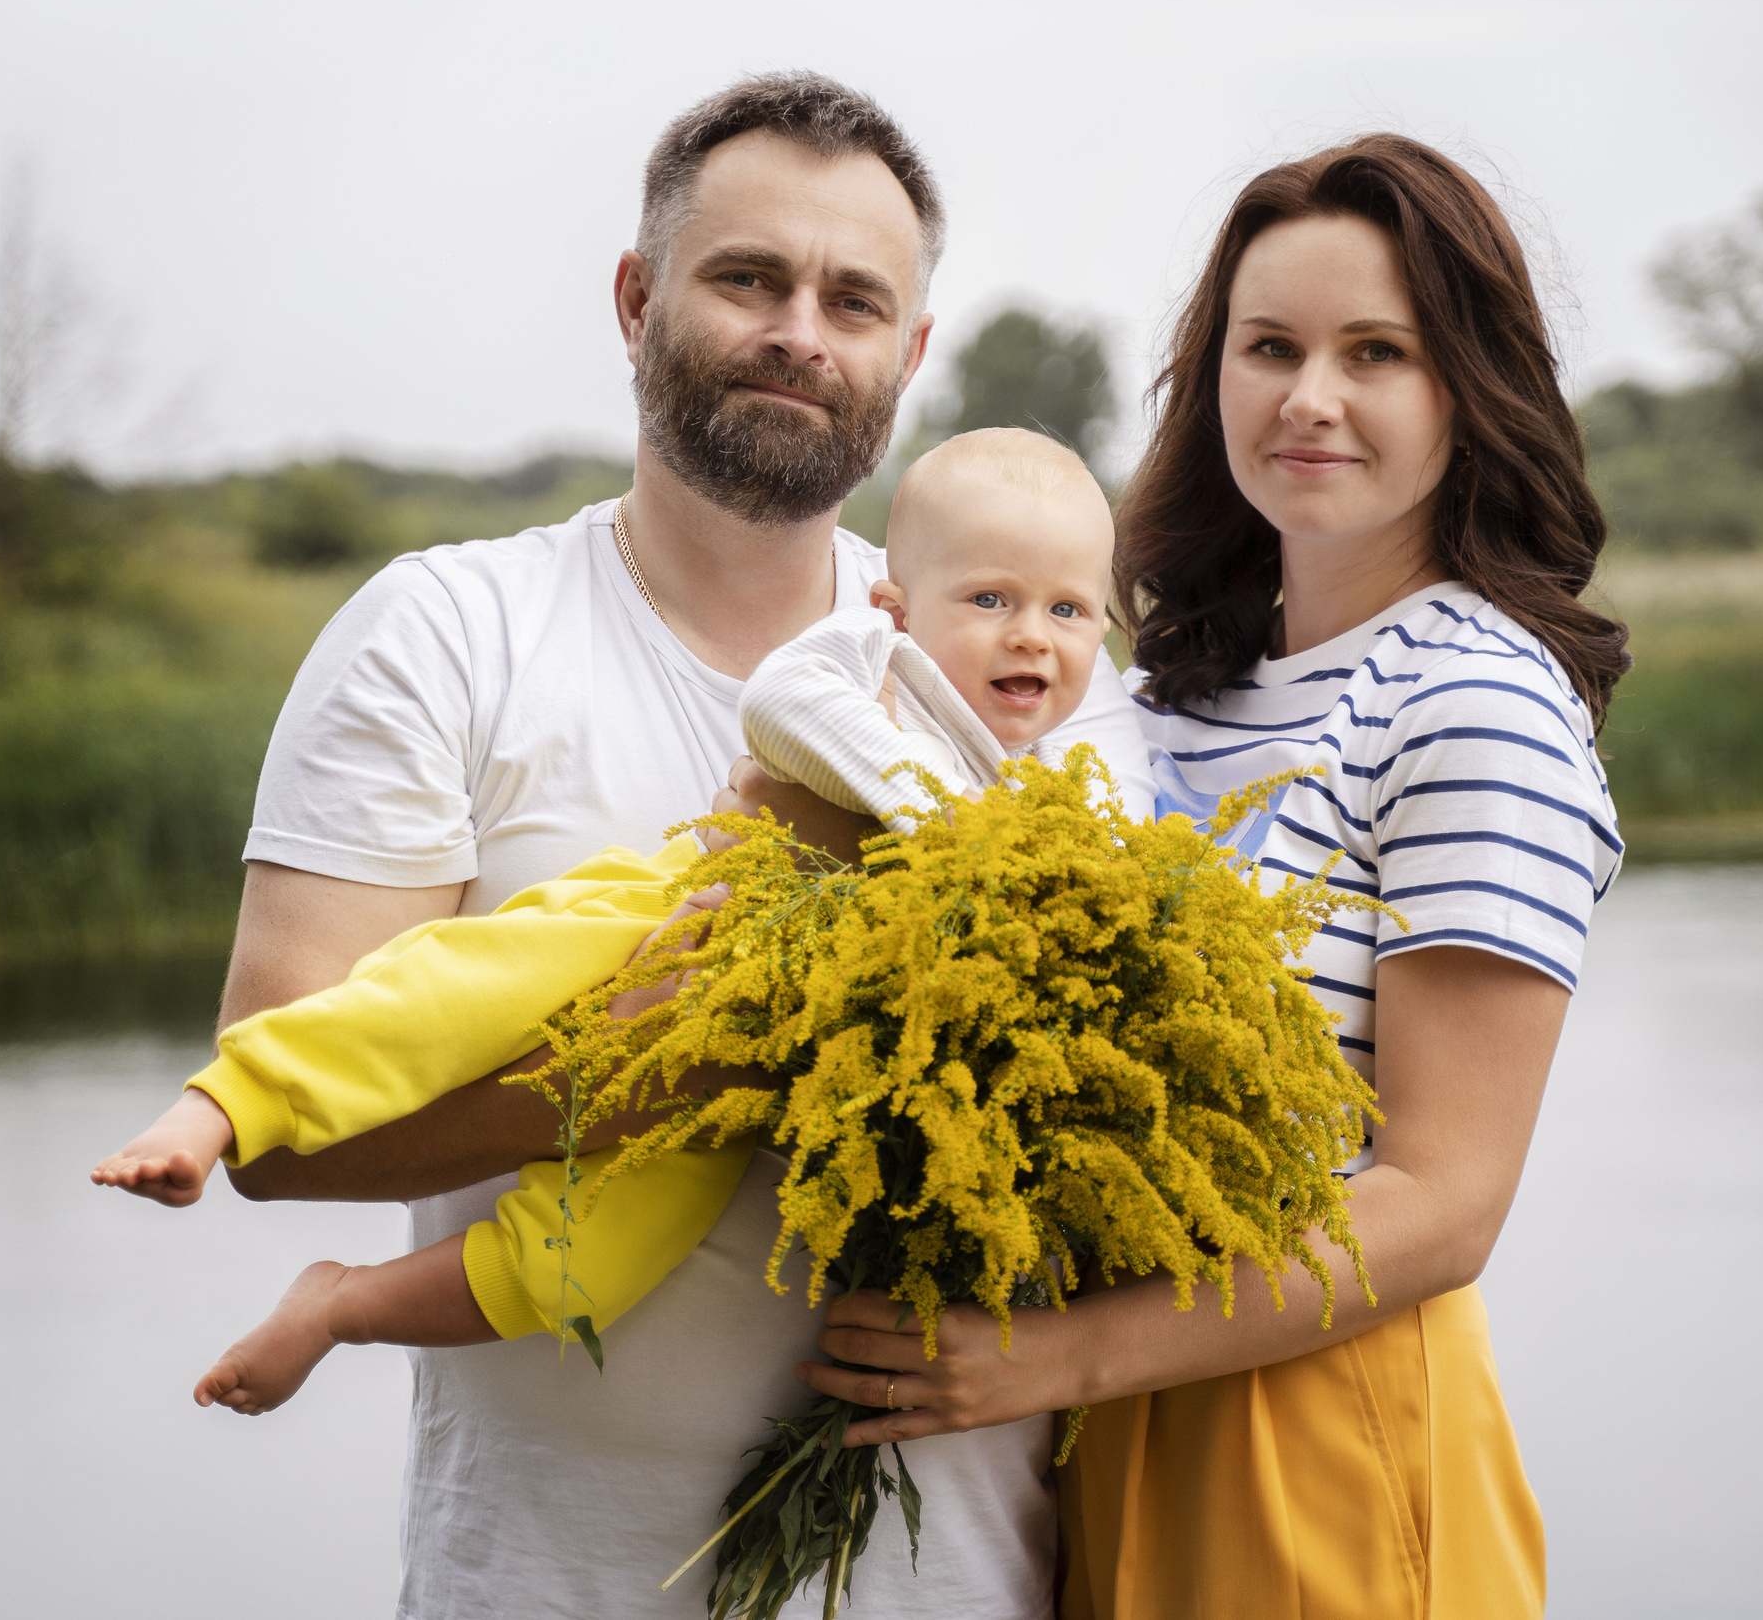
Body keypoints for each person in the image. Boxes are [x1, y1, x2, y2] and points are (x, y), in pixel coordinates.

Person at [193, 75, 1144, 1620]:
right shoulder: (447, 633)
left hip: (964, 1582)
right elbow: (276, 1122)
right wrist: (728, 1049)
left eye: (854, 300)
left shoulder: (1022, 656)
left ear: (910, 354)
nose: (800, 332)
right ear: (637, 299)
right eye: (748, 277)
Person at [790, 134, 1631, 1619]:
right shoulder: (1170, 691)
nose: (1311, 397)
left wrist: (1054, 1357)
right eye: (1270, 347)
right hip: (1119, 1419)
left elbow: (1443, 1200)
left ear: (1468, 387)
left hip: (1322, 1419)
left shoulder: (1474, 698)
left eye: (1378, 351)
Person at [85, 430, 1125, 1422]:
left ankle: (342, 1305)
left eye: (1069, 611)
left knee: (584, 1269)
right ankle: (225, 1100)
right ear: (894, 607)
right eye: (990, 600)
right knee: (465, 989)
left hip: (764, 1047)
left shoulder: (1065, 768)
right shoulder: (862, 666)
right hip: (680, 914)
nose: (1032, 633)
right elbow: (786, 712)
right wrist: (953, 837)